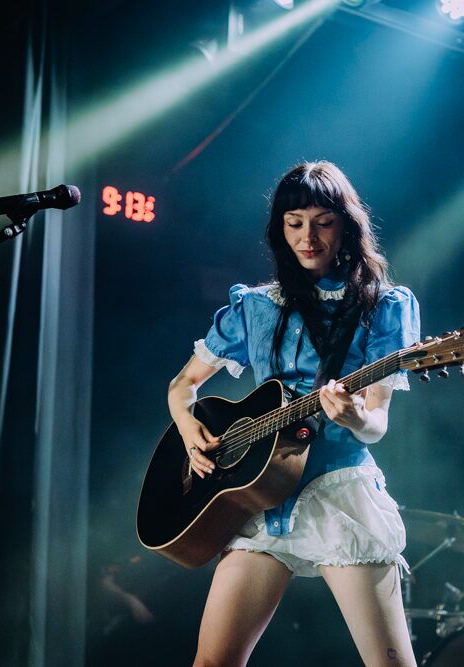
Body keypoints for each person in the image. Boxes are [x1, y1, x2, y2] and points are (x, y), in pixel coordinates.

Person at [167, 161, 421, 666]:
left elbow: (377, 424)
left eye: (323, 222)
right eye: (295, 223)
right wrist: (190, 428)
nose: (309, 236)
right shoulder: (256, 307)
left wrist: (352, 415)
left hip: (338, 494)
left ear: (346, 226)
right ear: (279, 229)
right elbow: (182, 387)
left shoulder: (381, 305)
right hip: (260, 499)